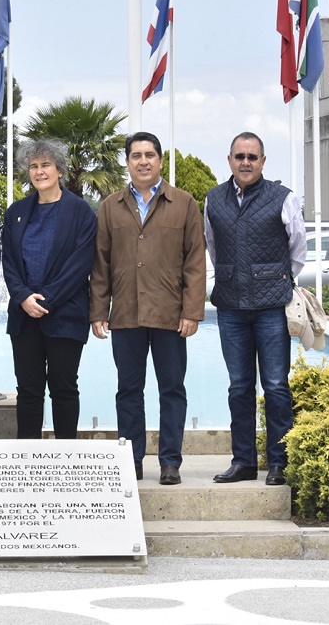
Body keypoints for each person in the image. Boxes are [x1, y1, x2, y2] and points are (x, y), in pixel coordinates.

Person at [89, 132, 205, 485]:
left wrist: (191, 312)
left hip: (171, 315)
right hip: (125, 313)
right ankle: (132, 460)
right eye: (136, 155)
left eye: (150, 155)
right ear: (127, 162)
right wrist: (97, 311)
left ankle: (170, 462)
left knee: (172, 390)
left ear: (159, 160)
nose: (143, 161)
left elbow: (195, 262)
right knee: (128, 390)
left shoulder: (184, 203)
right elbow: (101, 264)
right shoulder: (111, 206)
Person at [205, 132, 306, 486]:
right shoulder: (213, 199)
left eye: (252, 156)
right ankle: (244, 461)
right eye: (239, 156)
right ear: (229, 160)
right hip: (231, 307)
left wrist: (275, 280)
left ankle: (278, 462)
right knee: (239, 386)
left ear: (263, 161)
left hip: (272, 308)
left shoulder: (284, 198)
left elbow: (298, 251)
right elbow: (214, 249)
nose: (245, 162)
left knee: (276, 385)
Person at [2, 139, 97, 439]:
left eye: (45, 165)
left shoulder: (81, 212)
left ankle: (64, 456)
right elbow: (9, 262)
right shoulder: (15, 212)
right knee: (28, 391)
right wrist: (22, 297)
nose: (39, 171)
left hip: (65, 315)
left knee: (64, 389)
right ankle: (27, 460)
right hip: (24, 316)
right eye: (34, 166)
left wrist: (46, 300)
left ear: (59, 170)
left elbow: (80, 265)